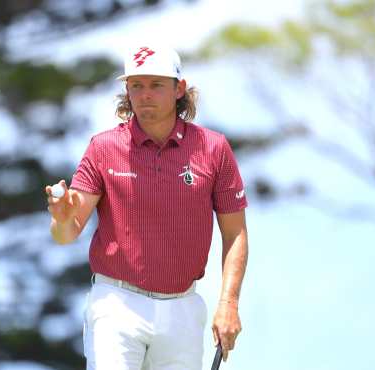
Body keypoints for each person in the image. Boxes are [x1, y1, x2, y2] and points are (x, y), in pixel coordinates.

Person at [45, 45, 248, 370]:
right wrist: (61, 219)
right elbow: (67, 232)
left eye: (156, 85)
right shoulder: (104, 148)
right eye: (136, 85)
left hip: (182, 308)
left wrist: (228, 304)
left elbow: (235, 233)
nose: (144, 95)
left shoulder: (213, 149)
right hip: (116, 304)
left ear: (179, 89)